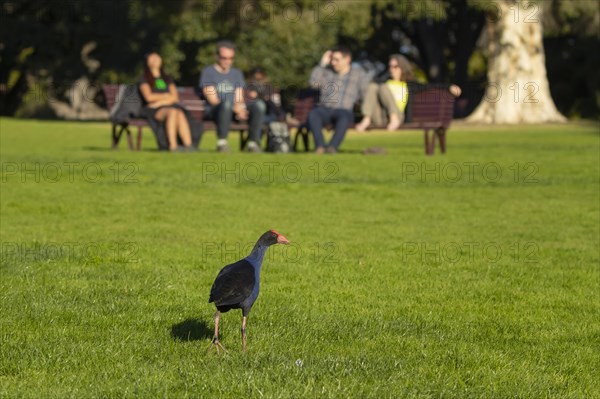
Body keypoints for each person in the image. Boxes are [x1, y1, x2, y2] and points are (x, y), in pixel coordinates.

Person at [356, 54, 462, 132]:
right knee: (373, 86)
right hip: (381, 117)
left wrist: (449, 86)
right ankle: (366, 118)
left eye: (395, 66)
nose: (392, 69)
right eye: (390, 66)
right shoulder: (384, 82)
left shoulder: (409, 85)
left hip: (398, 117)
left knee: (382, 87)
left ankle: (393, 117)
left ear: (402, 68)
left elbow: (430, 86)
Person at [199, 41, 266, 153]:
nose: (227, 61)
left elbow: (239, 97)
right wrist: (234, 108)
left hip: (234, 108)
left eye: (230, 58)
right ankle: (222, 143)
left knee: (259, 105)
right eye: (224, 58)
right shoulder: (208, 72)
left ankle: (253, 143)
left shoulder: (236, 73)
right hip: (216, 110)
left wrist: (240, 108)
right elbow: (213, 100)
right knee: (226, 104)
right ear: (216, 56)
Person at [308, 45, 370, 154]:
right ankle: (320, 146)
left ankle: (332, 147)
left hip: (344, 110)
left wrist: (367, 115)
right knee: (313, 114)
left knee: (344, 117)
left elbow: (365, 95)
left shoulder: (358, 74)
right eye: (332, 59)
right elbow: (313, 83)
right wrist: (322, 64)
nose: (333, 62)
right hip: (325, 108)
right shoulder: (327, 72)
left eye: (337, 60)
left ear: (347, 59)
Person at [138, 52, 194, 151]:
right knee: (172, 112)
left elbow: (174, 97)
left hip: (163, 106)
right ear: (147, 62)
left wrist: (160, 102)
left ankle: (188, 146)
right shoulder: (144, 79)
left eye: (157, 56)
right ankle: (173, 146)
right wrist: (165, 96)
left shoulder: (167, 79)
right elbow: (149, 98)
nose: (155, 59)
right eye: (152, 57)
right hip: (153, 110)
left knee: (179, 112)